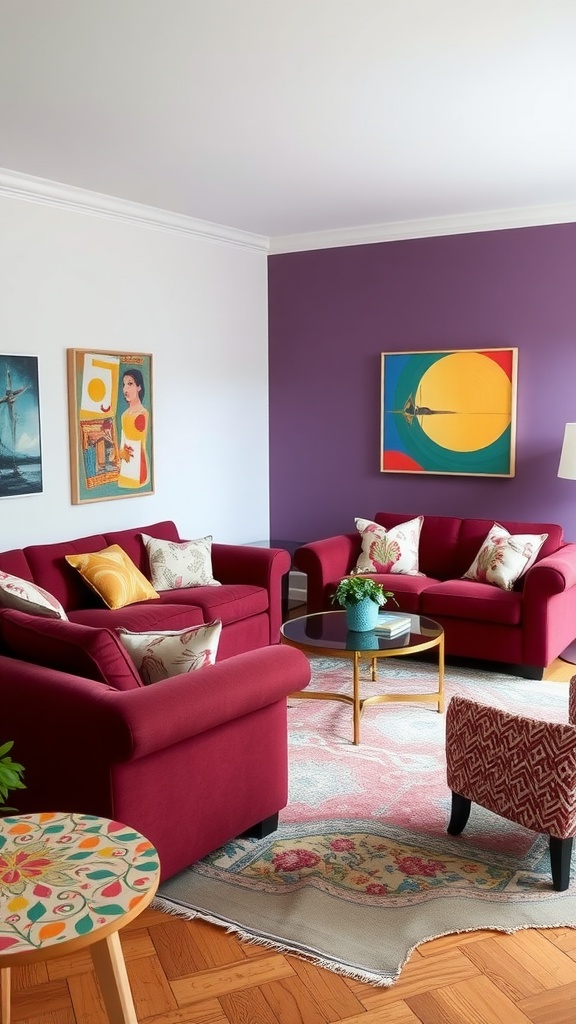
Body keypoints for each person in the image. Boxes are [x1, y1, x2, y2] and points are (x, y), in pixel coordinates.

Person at [117, 367, 150, 488]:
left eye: (130, 384)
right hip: (126, 467)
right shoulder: (124, 415)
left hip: (138, 469)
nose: (125, 389)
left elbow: (142, 445)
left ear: (139, 387)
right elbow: (122, 443)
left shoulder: (144, 414)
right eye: (124, 385)